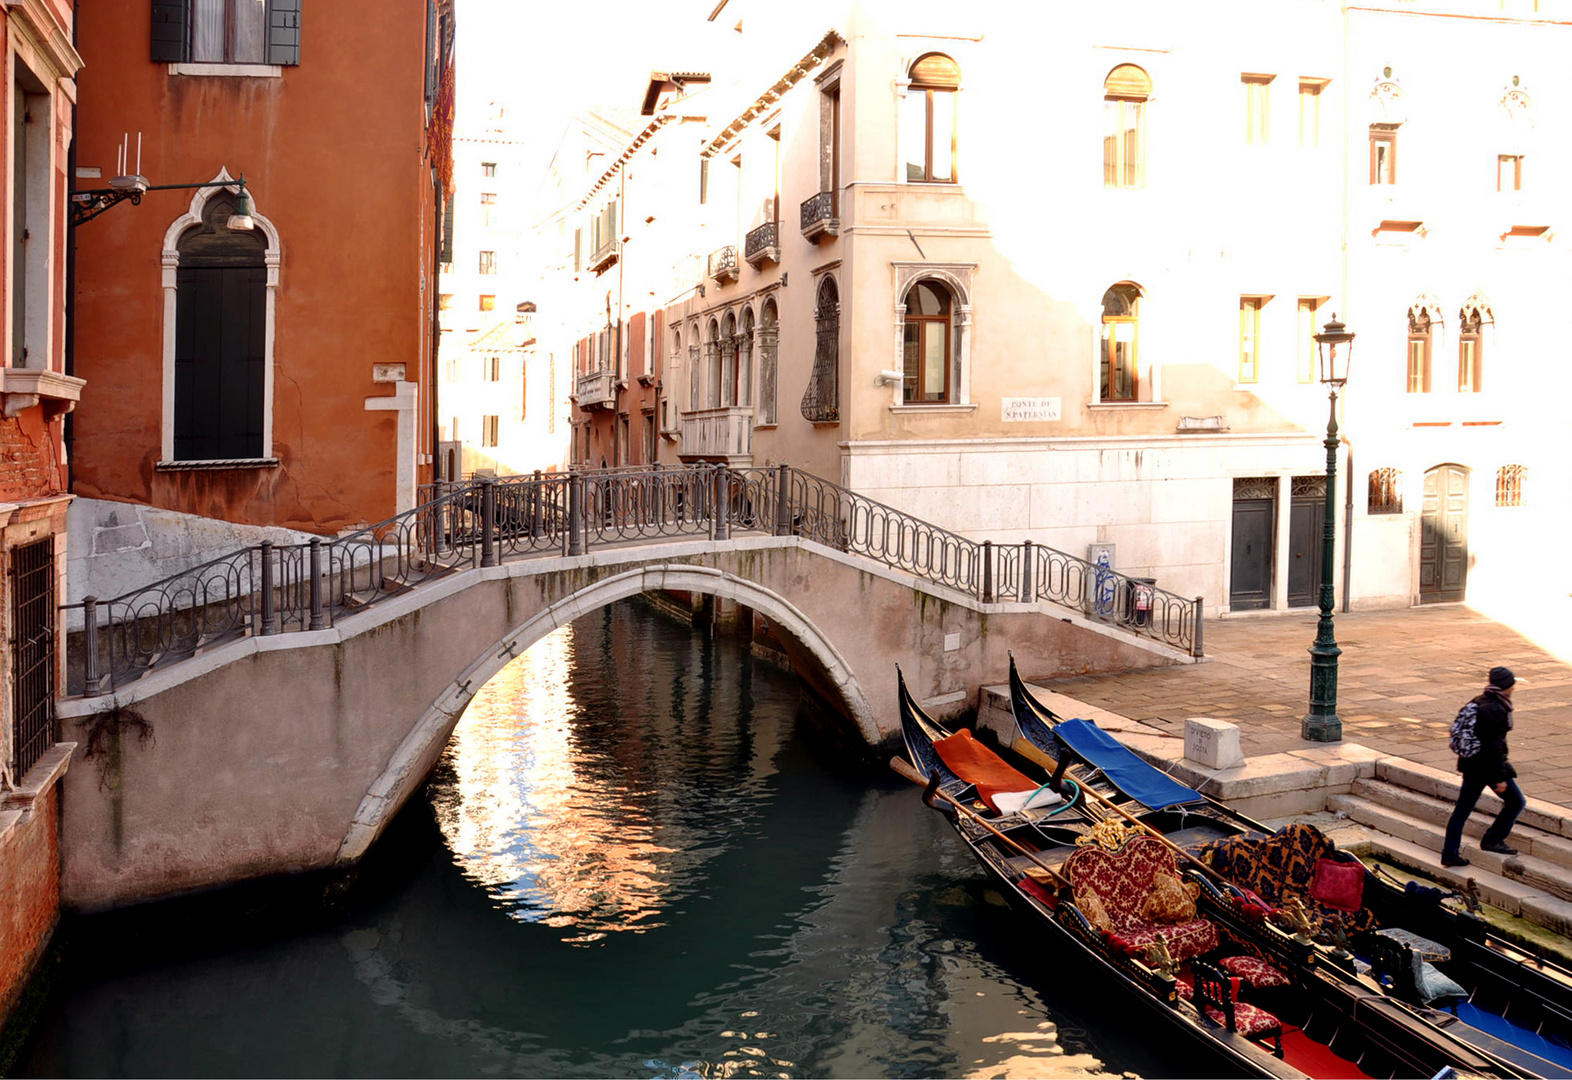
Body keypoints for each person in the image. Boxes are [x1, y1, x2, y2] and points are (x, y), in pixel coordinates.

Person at [1441, 666, 1526, 868]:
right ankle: (1492, 839)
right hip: (1487, 768)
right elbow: (1493, 747)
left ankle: (1450, 853)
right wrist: (1499, 778)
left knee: (1461, 811)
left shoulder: (1479, 701)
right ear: (1508, 685)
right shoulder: (1496, 708)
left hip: (1472, 766)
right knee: (1516, 801)